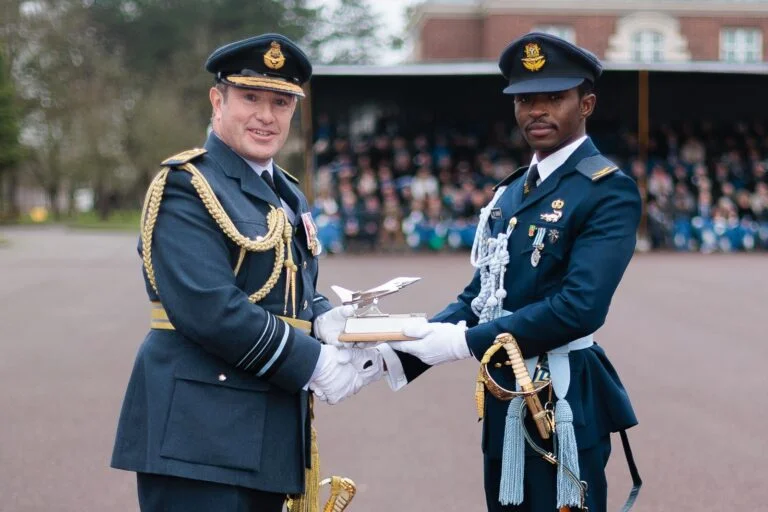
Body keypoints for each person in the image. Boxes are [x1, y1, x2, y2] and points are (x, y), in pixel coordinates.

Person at [110, 33, 385, 512]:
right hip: (198, 439)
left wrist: (323, 317)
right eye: (251, 98)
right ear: (218, 101)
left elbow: (290, 286)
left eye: (281, 102)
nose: (266, 115)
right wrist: (315, 364)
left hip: (265, 434)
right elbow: (210, 309)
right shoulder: (187, 187)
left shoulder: (287, 192)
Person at [386, 33, 642, 511]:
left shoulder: (607, 191)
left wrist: (463, 343)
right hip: (506, 394)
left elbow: (579, 308)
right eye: (526, 99)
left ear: (586, 103)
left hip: (562, 397)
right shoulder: (510, 192)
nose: (537, 111)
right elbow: (481, 296)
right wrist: (402, 348)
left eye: (554, 98)